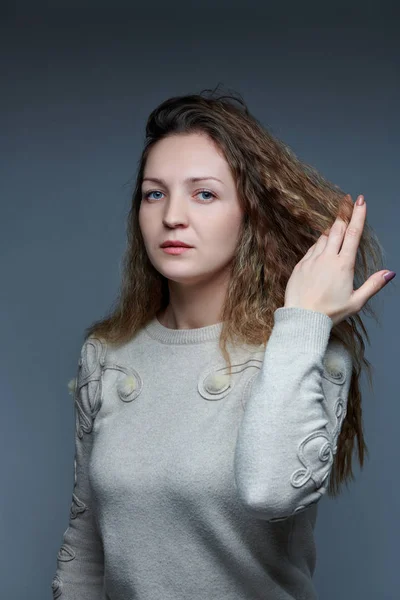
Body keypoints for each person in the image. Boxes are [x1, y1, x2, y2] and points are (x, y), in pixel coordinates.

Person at [51, 85, 394, 600]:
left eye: (204, 193)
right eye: (154, 193)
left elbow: (269, 491)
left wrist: (302, 321)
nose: (172, 216)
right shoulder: (107, 355)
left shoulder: (308, 354)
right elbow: (85, 547)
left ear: (249, 214)